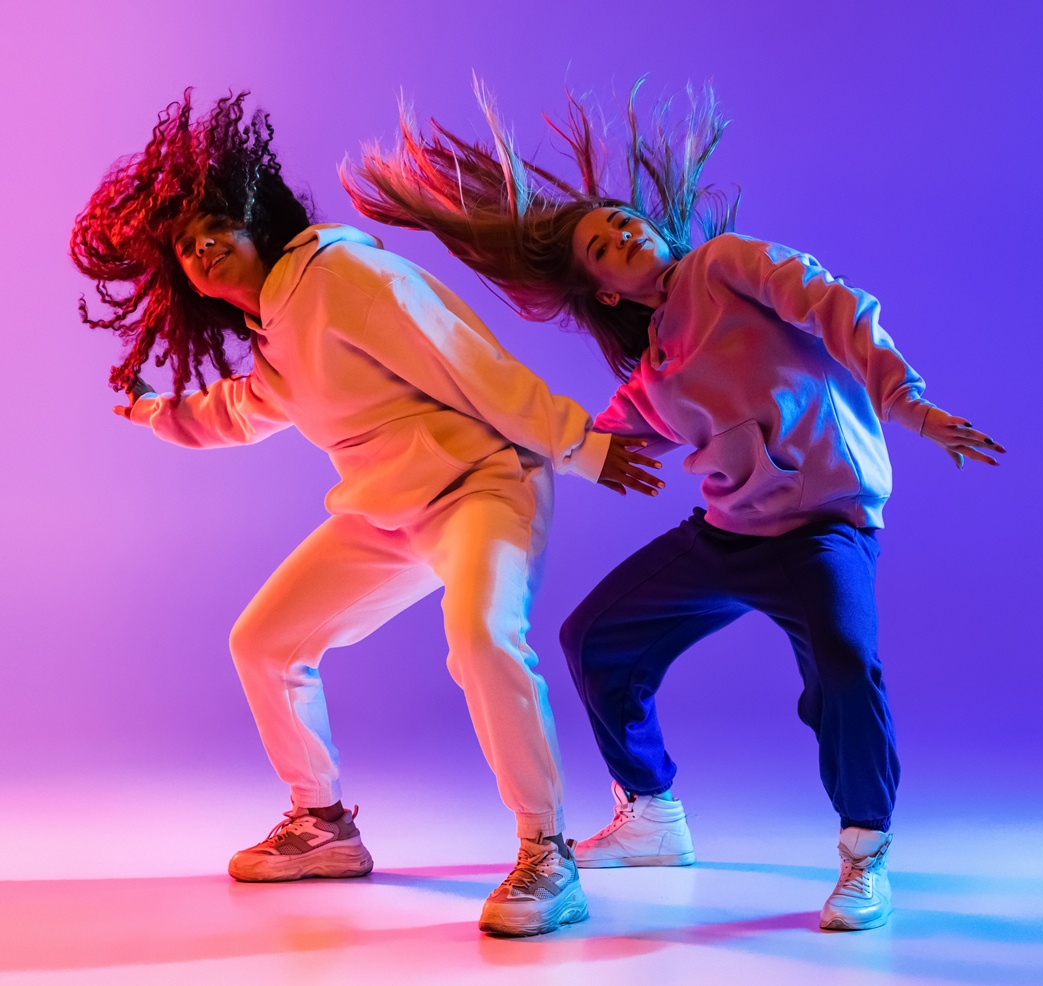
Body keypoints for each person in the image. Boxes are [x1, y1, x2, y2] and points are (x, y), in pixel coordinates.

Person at [343, 79, 1006, 931]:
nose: (625, 232)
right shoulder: (655, 372)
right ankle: (652, 815)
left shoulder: (726, 265)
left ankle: (864, 851)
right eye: (602, 245)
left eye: (624, 220)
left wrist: (905, 400)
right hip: (730, 537)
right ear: (603, 290)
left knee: (844, 664)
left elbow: (833, 303)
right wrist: (466, 438)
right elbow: (588, 439)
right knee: (595, 638)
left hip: (823, 531)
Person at [70, 90, 665, 938]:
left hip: (482, 487)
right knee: (265, 641)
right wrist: (154, 412)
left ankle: (546, 853)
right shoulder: (277, 331)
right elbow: (240, 410)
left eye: (218, 227)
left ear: (258, 222)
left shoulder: (340, 278)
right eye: (188, 247)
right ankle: (323, 826)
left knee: (483, 638)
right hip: (390, 513)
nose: (203, 248)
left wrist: (581, 444)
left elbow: (472, 364)